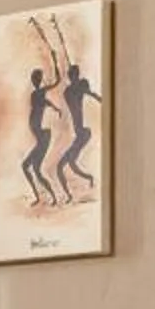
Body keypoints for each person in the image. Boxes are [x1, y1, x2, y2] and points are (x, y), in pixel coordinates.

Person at [57, 61, 103, 200]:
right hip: (81, 134)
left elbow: (92, 94)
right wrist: (81, 87)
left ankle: (69, 196)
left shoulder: (73, 89)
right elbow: (83, 94)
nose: (71, 78)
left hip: (82, 134)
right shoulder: (70, 91)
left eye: (73, 75)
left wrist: (82, 88)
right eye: (71, 76)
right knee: (71, 164)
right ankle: (89, 179)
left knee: (61, 167)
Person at [21, 68, 62, 205]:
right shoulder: (37, 95)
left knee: (30, 168)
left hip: (43, 138)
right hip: (41, 138)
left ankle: (50, 197)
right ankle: (43, 196)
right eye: (34, 79)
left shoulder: (39, 95)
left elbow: (57, 81)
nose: (34, 81)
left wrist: (55, 62)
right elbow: (47, 101)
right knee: (31, 168)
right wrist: (55, 108)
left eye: (36, 78)